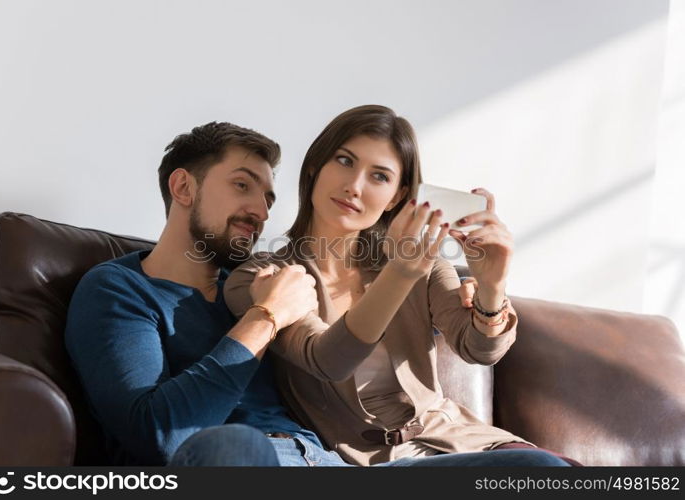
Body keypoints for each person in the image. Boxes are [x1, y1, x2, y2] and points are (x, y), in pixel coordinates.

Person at [64, 120, 568, 467]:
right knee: (236, 448)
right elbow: (161, 434)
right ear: (183, 187)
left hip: (326, 461)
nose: (259, 210)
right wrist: (266, 317)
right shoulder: (124, 288)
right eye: (242, 186)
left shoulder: (258, 280)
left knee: (540, 469)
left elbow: (479, 346)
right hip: (247, 458)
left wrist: (491, 284)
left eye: (267, 196)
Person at [223, 105, 580, 466]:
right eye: (344, 161)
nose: (354, 186)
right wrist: (400, 273)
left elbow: (479, 351)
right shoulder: (262, 279)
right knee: (539, 470)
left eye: (379, 177)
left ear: (396, 196)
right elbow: (329, 360)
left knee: (560, 470)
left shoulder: (424, 267)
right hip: (362, 461)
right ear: (315, 167)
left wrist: (492, 284)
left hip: (460, 441)